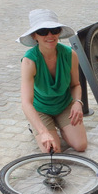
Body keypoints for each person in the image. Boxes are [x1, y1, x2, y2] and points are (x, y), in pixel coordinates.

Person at [17, 9, 87, 153]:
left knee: (80, 145)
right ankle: (37, 126)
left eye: (54, 30)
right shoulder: (29, 61)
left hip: (64, 105)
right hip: (41, 108)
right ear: (34, 35)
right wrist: (43, 132)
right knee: (53, 152)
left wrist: (77, 103)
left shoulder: (70, 54)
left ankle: (61, 126)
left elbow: (76, 85)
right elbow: (26, 103)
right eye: (43, 31)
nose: (50, 35)